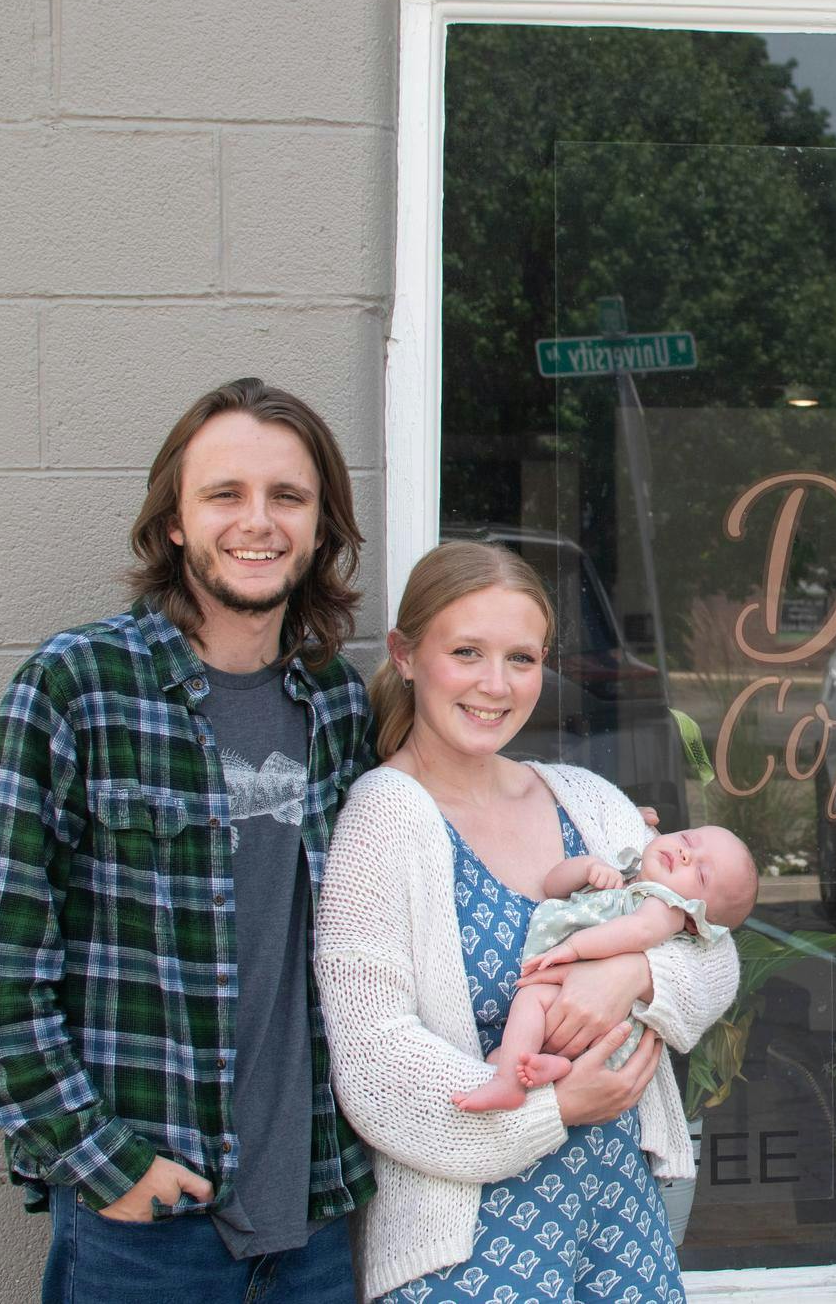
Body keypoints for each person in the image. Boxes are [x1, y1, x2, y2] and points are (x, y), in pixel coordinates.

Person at [0, 378, 374, 1303]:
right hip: (149, 1228)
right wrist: (103, 1161)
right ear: (175, 520)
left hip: (314, 1219)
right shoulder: (75, 688)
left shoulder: (338, 700)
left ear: (319, 525)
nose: (256, 522)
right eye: (224, 494)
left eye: (287, 497)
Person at [314, 540, 739, 1304]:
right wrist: (554, 1108)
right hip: (472, 1241)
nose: (494, 684)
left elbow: (715, 951)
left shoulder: (587, 799)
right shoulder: (382, 821)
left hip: (618, 1217)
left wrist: (631, 972)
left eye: (521, 657)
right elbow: (374, 1065)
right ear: (407, 655)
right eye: (467, 652)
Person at [451, 824, 759, 1113]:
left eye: (701, 874)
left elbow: (638, 931)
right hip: (574, 1012)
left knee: (531, 1000)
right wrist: (587, 867)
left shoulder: (666, 907)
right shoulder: (625, 873)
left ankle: (511, 1083)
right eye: (688, 840)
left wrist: (574, 948)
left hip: (596, 1019)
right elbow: (551, 885)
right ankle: (549, 1067)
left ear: (696, 918)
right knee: (505, 1053)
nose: (685, 854)